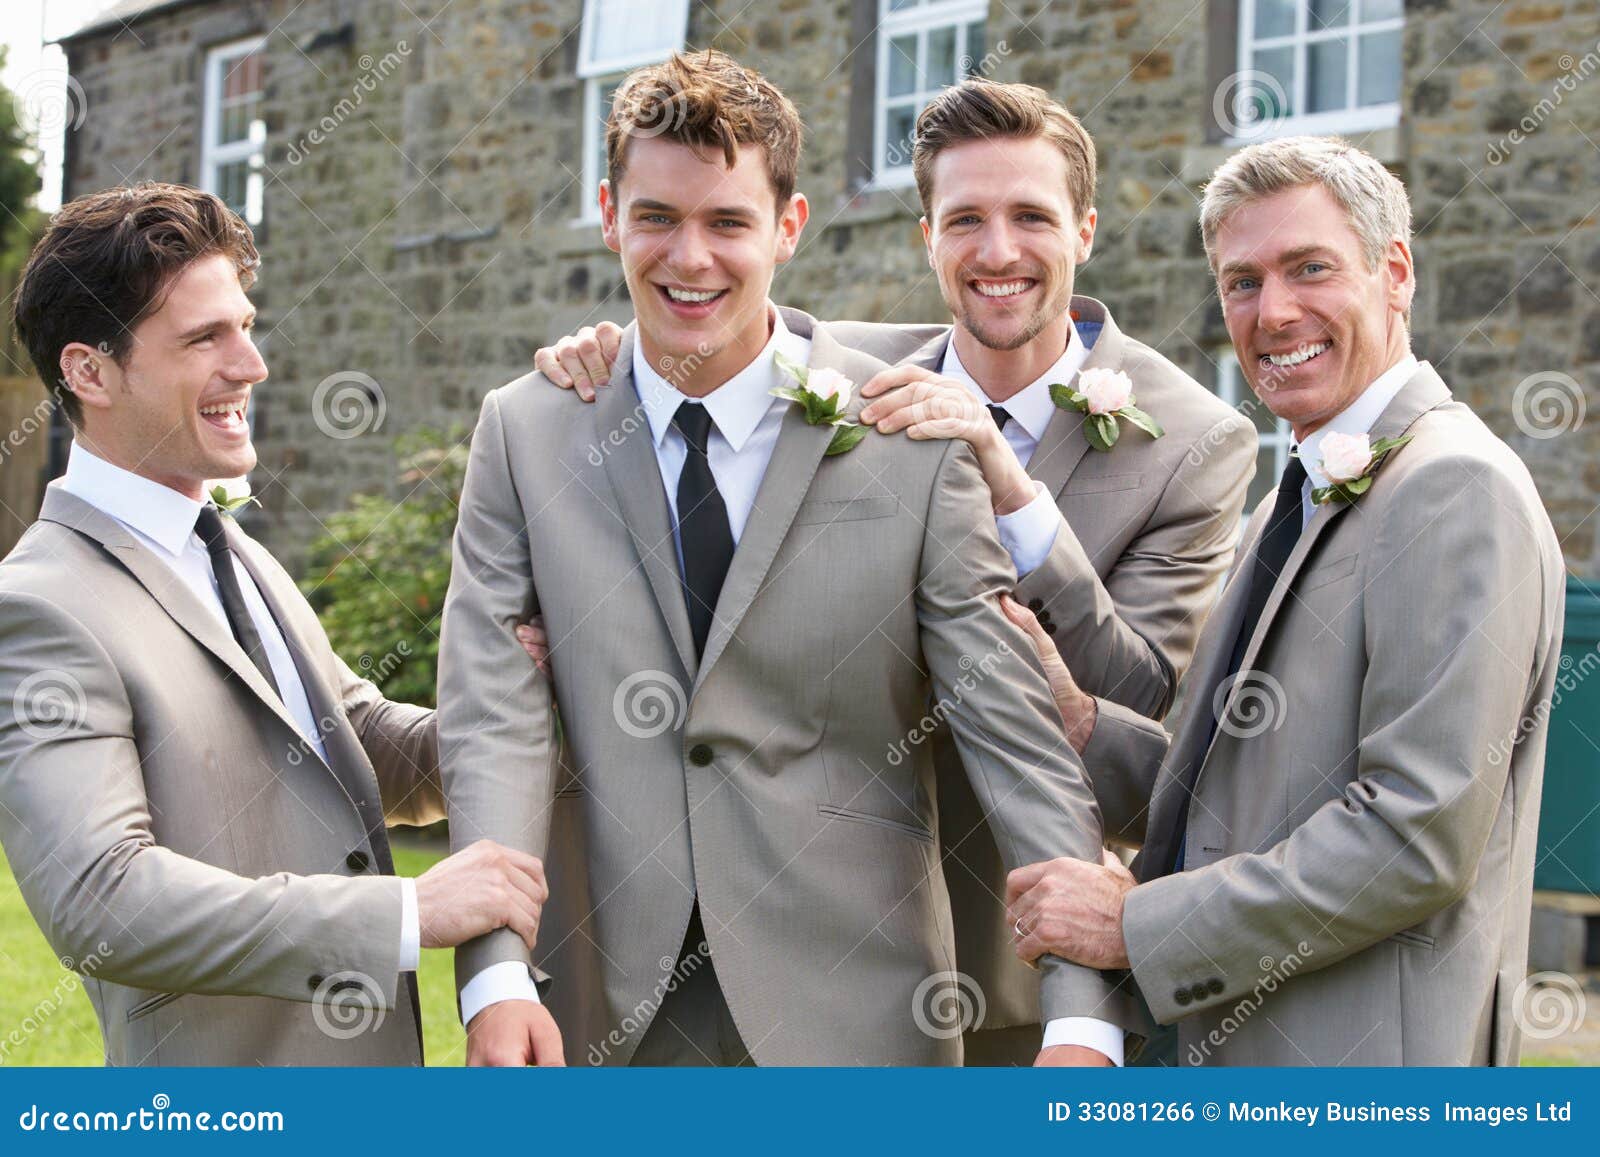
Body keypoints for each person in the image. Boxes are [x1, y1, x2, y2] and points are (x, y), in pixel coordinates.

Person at [529, 78, 1256, 1064]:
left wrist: (1007, 489)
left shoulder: (1192, 439)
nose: (996, 252)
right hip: (824, 942)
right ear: (926, 235)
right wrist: (608, 349)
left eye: (1029, 216)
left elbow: (1141, 698)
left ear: (1084, 227)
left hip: (1017, 953)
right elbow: (698, 321)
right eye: (964, 219)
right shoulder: (840, 375)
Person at [1002, 136, 1564, 1065]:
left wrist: (1137, 922)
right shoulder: (1292, 492)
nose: (1275, 311)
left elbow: (1412, 834)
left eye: (1310, 269)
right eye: (1242, 281)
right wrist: (1081, 725)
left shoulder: (1454, 488)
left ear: (1395, 274)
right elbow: (1250, 796)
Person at [0, 183, 551, 1066]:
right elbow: (104, 901)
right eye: (203, 338)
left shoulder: (235, 550)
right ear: (89, 371)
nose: (251, 364)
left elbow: (356, 744)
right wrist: (410, 912)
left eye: (245, 325)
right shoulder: (36, 608)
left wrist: (529, 712)